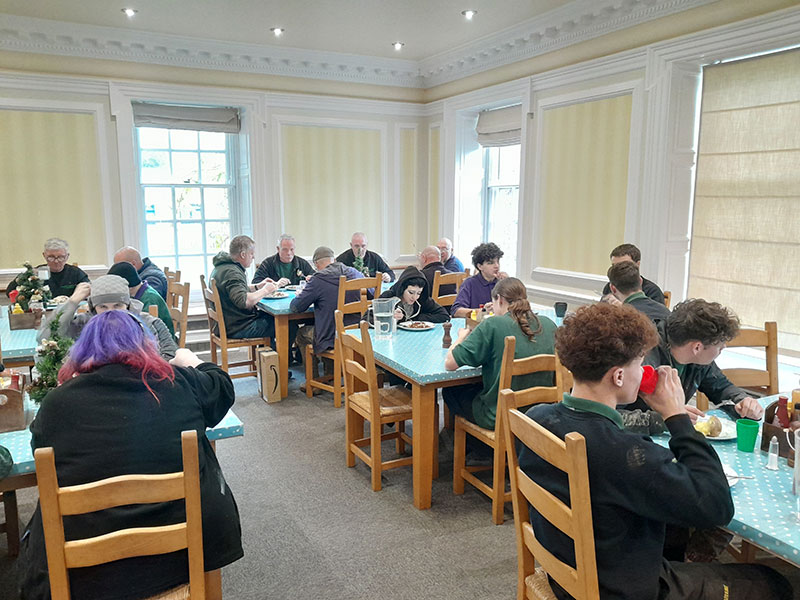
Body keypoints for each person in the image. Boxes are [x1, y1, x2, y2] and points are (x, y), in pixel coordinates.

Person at [519, 303, 792, 600]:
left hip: (569, 571)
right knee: (773, 582)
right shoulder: (626, 453)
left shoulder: (537, 417)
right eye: (639, 364)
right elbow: (717, 506)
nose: (644, 371)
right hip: (623, 589)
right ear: (619, 377)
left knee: (675, 535)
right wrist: (675, 416)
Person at [19, 311, 243, 600]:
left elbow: (42, 456)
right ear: (145, 344)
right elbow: (223, 387)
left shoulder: (56, 404)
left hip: (87, 567)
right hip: (180, 553)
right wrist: (192, 360)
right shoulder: (178, 383)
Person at [444, 277, 556, 434]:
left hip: (499, 415)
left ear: (500, 300)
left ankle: (473, 444)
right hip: (541, 413)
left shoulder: (493, 324)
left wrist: (461, 337)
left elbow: (450, 363)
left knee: (451, 391)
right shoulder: (549, 324)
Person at [624, 299, 763, 421]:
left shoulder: (699, 361)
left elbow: (721, 387)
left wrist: (742, 401)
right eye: (720, 345)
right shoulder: (640, 359)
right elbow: (614, 417)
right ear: (697, 347)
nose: (724, 347)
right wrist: (663, 419)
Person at [37, 275, 177, 359]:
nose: (111, 313)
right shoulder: (83, 324)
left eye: (117, 306)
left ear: (128, 305)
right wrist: (72, 302)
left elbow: (170, 355)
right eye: (103, 307)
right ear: (93, 308)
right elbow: (46, 337)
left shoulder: (149, 323)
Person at [290, 246, 365, 383]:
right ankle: (331, 374)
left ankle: (314, 382)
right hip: (357, 334)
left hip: (332, 337)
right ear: (334, 260)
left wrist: (302, 294)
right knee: (327, 326)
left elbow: (296, 307)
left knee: (302, 333)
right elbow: (372, 294)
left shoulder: (318, 279)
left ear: (316, 265)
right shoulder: (355, 273)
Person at [209, 235, 278, 340]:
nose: (253, 257)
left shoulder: (222, 267)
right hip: (238, 327)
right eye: (251, 254)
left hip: (229, 324)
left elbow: (235, 291)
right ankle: (276, 351)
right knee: (285, 325)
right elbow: (244, 301)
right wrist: (266, 290)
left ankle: (268, 350)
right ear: (243, 254)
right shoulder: (233, 272)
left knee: (272, 319)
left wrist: (257, 287)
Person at [6, 238, 89, 299]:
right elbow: (9, 292)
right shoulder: (36, 273)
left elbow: (89, 289)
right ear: (44, 256)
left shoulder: (75, 273)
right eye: (51, 257)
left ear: (67, 256)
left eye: (61, 257)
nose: (56, 261)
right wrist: (25, 277)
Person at [108, 261, 175, 335]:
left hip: (160, 339)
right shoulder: (140, 292)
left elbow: (144, 328)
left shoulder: (149, 299)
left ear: (127, 287)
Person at [368, 266, 449, 325]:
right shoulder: (388, 297)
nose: (415, 297)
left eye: (418, 293)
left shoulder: (422, 299)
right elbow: (366, 320)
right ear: (402, 288)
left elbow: (444, 316)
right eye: (411, 292)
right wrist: (390, 318)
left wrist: (416, 319)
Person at [450, 242, 507, 318]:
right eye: (490, 263)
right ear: (480, 266)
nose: (497, 266)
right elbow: (456, 311)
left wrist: (509, 284)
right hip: (477, 323)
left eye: (498, 261)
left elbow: (516, 307)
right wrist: (482, 311)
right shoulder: (469, 283)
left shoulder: (502, 282)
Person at [601, 243, 665, 305]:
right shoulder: (609, 286)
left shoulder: (652, 291)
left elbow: (655, 311)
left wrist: (623, 307)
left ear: (637, 264)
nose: (618, 270)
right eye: (614, 266)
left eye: (625, 265)